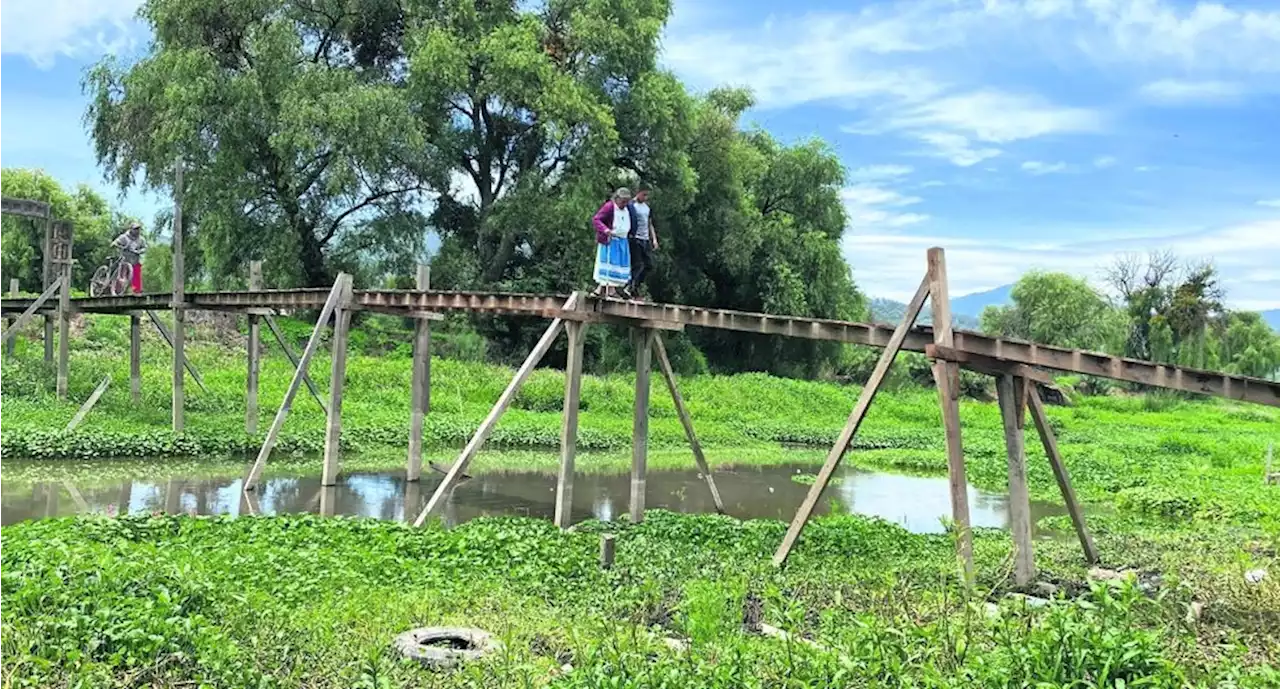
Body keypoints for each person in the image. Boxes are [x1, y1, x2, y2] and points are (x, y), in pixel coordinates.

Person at [591, 188, 635, 297]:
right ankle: (610, 290)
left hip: (622, 240)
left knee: (618, 265)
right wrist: (606, 230)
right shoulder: (610, 207)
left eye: (626, 202)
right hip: (611, 240)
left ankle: (601, 290)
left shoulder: (627, 208)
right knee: (609, 264)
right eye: (622, 201)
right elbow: (597, 219)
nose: (624, 204)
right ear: (617, 198)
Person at [624, 187, 658, 301]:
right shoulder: (631, 205)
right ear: (638, 193)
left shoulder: (647, 208)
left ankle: (635, 285)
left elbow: (649, 223)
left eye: (647, 195)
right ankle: (628, 286)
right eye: (644, 195)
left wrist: (654, 239)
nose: (645, 197)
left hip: (645, 239)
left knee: (649, 265)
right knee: (637, 264)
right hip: (635, 238)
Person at [113, 221, 147, 294]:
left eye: (138, 229)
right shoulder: (124, 237)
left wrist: (139, 251)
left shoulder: (141, 239)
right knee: (122, 275)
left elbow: (145, 248)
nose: (137, 231)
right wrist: (119, 246)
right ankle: (117, 291)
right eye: (135, 229)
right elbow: (115, 243)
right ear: (131, 229)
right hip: (125, 260)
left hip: (135, 260)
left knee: (137, 272)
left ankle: (137, 291)